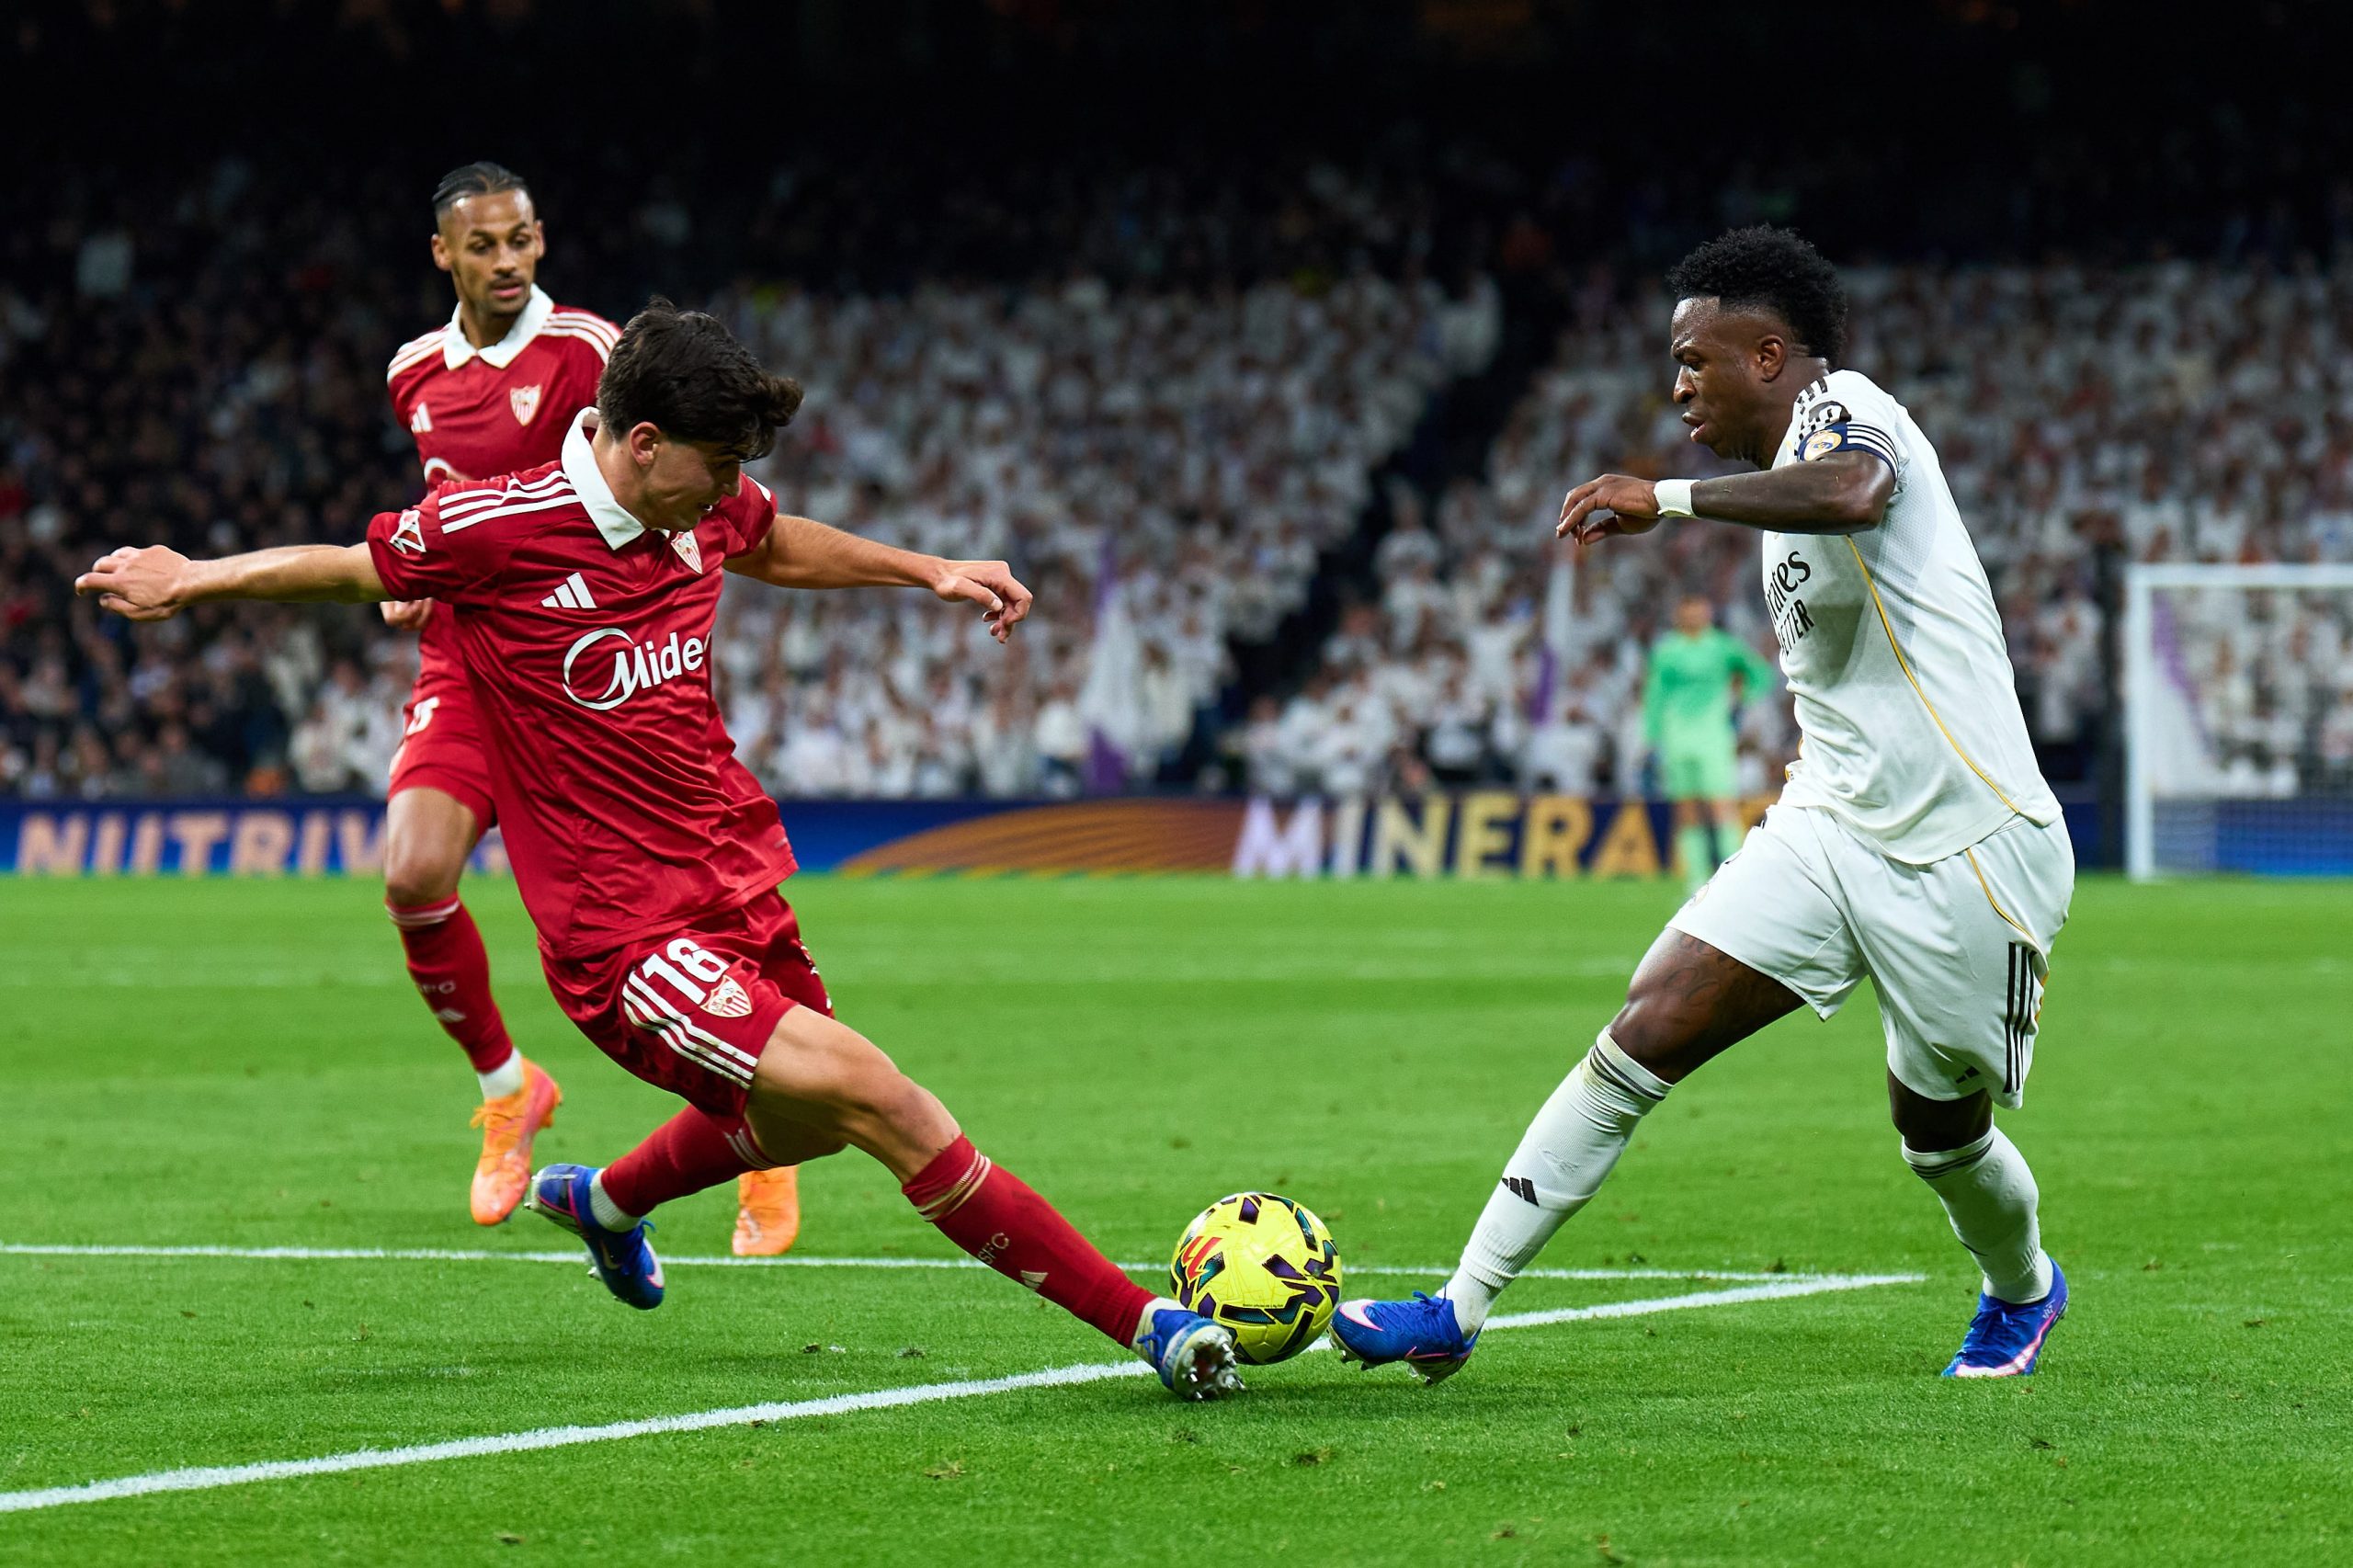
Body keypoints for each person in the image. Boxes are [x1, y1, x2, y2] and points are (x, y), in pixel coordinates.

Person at [78, 301, 1243, 1399]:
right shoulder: (501, 527)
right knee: (882, 1098)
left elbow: (776, 540)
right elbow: (351, 564)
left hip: (733, 879)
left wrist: (926, 569)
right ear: (641, 442)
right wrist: (192, 579)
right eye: (718, 465)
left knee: (799, 1125)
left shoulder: (702, 505)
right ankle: (1151, 1322)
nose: (733, 491)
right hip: (622, 935)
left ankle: (606, 1199)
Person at [1332, 227, 2074, 1381]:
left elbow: (1856, 491)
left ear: (1771, 356)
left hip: (1966, 848)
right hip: (1829, 824)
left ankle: (2023, 1287)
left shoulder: (1851, 410)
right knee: (1646, 1024)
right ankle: (1457, 1307)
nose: (1676, 384)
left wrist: (1667, 497)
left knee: (1939, 1137)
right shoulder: (1777, 484)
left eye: (1695, 360)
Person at [381, 161, 799, 1252]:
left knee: (692, 890)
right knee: (412, 872)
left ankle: (767, 1139)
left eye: (522, 238)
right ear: (445, 255)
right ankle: (509, 1085)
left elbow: (686, 499)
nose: (509, 260)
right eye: (485, 245)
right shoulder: (412, 372)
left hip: (593, 662)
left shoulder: (593, 351)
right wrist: (410, 582)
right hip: (470, 664)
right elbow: (446, 514)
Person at [1643, 594, 1779, 894]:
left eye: (1699, 607)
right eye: (1688, 607)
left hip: (1713, 737)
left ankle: (1732, 874)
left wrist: (1743, 697)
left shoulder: (1722, 646)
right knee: (1687, 809)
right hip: (1676, 738)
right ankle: (1696, 878)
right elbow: (1655, 695)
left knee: (1720, 806)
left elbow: (1759, 672)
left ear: (1707, 611)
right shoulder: (1667, 650)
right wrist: (1652, 737)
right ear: (1680, 612)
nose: (1694, 613)